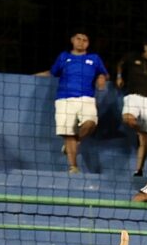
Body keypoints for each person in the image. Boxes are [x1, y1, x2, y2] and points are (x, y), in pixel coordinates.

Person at [39, 33, 108, 174]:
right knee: (67, 133)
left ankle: (75, 142)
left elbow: (104, 73)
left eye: (85, 40)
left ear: (88, 43)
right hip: (64, 99)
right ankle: (73, 167)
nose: (81, 42)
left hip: (87, 98)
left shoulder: (94, 58)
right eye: (78, 39)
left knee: (90, 123)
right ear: (72, 40)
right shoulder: (64, 57)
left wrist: (101, 77)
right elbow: (52, 72)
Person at [116, 41, 147, 178]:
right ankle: (140, 130)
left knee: (145, 140)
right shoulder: (132, 57)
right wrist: (119, 76)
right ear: (145, 48)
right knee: (127, 119)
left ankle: (139, 169)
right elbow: (120, 64)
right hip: (133, 96)